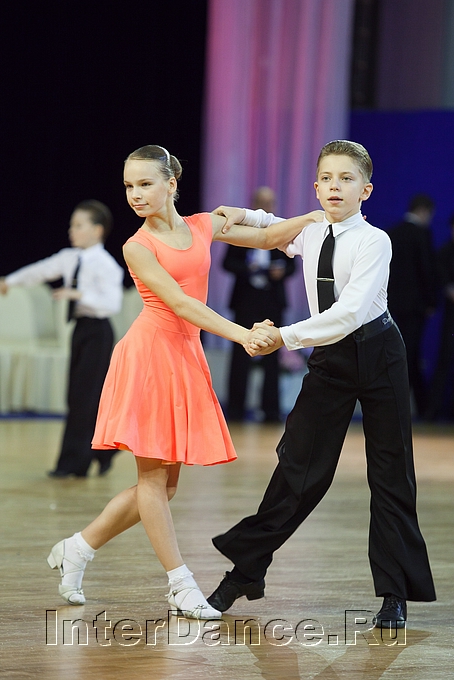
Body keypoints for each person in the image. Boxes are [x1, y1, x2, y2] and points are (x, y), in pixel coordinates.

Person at [45, 144, 324, 619]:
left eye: (145, 183)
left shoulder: (200, 225)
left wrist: (312, 217)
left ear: (171, 183)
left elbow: (266, 238)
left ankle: (78, 548)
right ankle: (180, 583)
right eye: (129, 186)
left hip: (183, 356)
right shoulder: (137, 246)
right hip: (149, 357)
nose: (135, 194)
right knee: (152, 480)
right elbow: (180, 303)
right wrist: (243, 335)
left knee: (164, 487)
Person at [207, 140, 436, 629]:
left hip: (379, 353)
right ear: (315, 187)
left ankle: (394, 594)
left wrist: (282, 337)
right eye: (327, 178)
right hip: (331, 360)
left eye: (346, 179)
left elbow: (350, 313)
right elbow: (270, 229)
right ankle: (245, 572)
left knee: (391, 474)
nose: (336, 186)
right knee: (299, 467)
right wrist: (236, 214)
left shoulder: (375, 241)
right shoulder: (310, 231)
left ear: (365, 190)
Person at [0, 200, 123, 477]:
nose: (72, 230)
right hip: (80, 330)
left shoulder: (106, 264)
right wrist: (10, 281)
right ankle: (103, 450)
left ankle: (73, 464)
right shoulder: (70, 257)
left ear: (97, 230)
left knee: (85, 397)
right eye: (72, 225)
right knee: (77, 395)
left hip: (99, 332)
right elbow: (40, 270)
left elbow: (112, 303)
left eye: (78, 225)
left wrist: (79, 295)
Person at [223, 187, 295, 422]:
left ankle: (271, 411)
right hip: (246, 299)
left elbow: (292, 265)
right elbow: (227, 263)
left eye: (269, 202)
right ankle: (236, 409)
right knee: (240, 354)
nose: (265, 206)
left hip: (272, 299)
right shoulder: (239, 229)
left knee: (273, 354)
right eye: (261, 202)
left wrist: (280, 273)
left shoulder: (282, 229)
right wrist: (248, 268)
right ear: (253, 203)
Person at [387, 194, 438, 418]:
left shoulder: (392, 232)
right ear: (424, 211)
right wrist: (431, 301)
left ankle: (405, 403)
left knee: (401, 351)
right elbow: (426, 270)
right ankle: (409, 404)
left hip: (392, 304)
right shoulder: (422, 234)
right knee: (410, 353)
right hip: (416, 306)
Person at [425, 214, 454, 421]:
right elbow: (442, 283)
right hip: (450, 318)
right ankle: (432, 410)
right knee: (445, 360)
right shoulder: (445, 252)